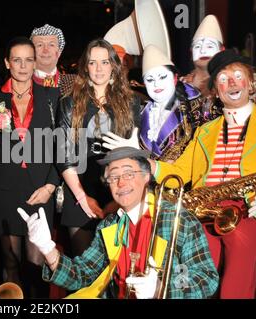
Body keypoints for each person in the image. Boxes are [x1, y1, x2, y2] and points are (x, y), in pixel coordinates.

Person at [18, 146, 219, 299]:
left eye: (129, 174)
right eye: (113, 177)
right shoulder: (108, 226)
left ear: (147, 177)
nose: (121, 183)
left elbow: (206, 279)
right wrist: (48, 249)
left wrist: (162, 288)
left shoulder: (179, 220)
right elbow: (82, 274)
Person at [149, 49, 256, 298]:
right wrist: (148, 164)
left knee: (235, 287)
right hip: (204, 209)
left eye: (238, 76)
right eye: (222, 79)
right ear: (216, 91)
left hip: (245, 210)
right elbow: (179, 171)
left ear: (251, 83)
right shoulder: (205, 131)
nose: (230, 83)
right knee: (191, 283)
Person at [0, 36, 60, 298]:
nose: (23, 66)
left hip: (40, 190)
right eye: (17, 60)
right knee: (11, 264)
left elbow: (62, 147)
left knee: (37, 264)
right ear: (7, 63)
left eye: (28, 60)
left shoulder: (51, 97)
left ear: (35, 62)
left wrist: (50, 186)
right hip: (5, 189)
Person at [56, 39, 141, 257]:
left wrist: (119, 197)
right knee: (84, 268)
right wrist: (82, 197)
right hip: (79, 188)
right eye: (93, 63)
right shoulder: (69, 102)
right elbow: (63, 155)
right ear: (85, 67)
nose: (99, 69)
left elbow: (134, 153)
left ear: (113, 65)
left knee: (116, 270)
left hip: (120, 188)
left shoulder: (130, 101)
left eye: (104, 62)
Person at [103, 45, 206, 162]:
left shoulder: (196, 108)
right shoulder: (142, 112)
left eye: (162, 77)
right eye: (150, 80)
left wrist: (138, 151)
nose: (156, 84)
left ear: (175, 78)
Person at [30, 24, 76, 96]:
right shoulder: (21, 85)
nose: (45, 50)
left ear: (59, 52)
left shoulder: (74, 83)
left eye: (51, 45)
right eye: (40, 45)